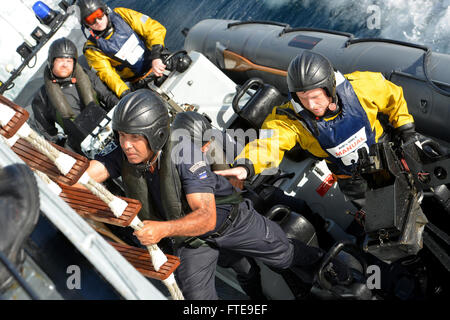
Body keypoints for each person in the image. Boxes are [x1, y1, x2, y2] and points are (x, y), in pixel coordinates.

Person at [83, 89, 359, 300]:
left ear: (154, 134)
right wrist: (58, 176)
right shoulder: (125, 153)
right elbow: (89, 171)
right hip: (191, 243)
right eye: (121, 136)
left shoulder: (185, 154)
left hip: (232, 224)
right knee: (198, 299)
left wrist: (162, 230)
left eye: (133, 137)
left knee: (284, 255)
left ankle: (338, 272)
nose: (126, 145)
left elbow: (206, 216)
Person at [215, 50, 416, 200]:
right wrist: (246, 166)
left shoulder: (361, 87)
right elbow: (268, 145)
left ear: (329, 88)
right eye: (303, 98)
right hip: (355, 183)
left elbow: (394, 98)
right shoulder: (289, 120)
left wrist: (406, 130)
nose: (311, 105)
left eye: (315, 97)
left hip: (389, 157)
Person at [31, 37, 118, 154]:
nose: (65, 65)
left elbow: (108, 97)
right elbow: (50, 135)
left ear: (74, 62)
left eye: (69, 61)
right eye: (60, 60)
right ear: (51, 62)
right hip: (83, 148)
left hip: (111, 129)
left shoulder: (87, 75)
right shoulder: (41, 98)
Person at [77, 0, 167, 99]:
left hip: (161, 61)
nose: (98, 21)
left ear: (104, 10)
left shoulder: (121, 14)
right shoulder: (92, 48)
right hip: (141, 82)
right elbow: (108, 75)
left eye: (99, 14)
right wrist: (126, 95)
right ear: (86, 24)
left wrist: (156, 56)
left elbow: (152, 28)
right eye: (91, 20)